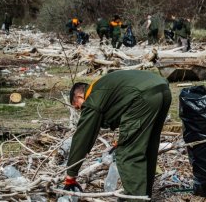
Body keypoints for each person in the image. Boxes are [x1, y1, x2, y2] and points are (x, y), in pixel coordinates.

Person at [64, 70, 171, 199]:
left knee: (128, 154)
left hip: (143, 96)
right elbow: (124, 111)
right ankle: (144, 196)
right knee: (148, 145)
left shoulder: (93, 97)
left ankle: (135, 200)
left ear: (80, 97)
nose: (81, 110)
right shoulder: (103, 87)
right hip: (163, 89)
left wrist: (71, 174)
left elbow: (82, 137)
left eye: (78, 107)